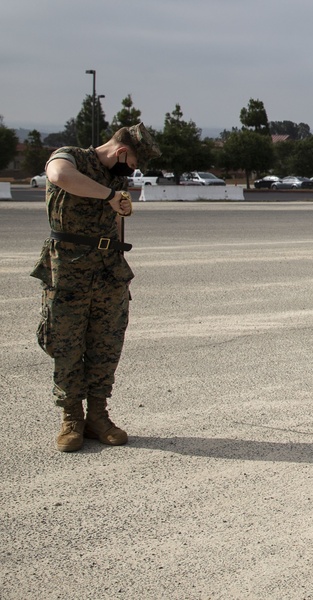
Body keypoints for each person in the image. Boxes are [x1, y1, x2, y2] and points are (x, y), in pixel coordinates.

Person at [31, 123, 161, 452]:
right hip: (70, 267)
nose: (131, 172)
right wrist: (108, 196)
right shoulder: (70, 157)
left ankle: (98, 415)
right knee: (67, 341)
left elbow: (116, 220)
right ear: (121, 152)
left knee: (107, 341)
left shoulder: (116, 181)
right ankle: (72, 418)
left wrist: (121, 214)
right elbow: (59, 176)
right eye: (132, 164)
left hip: (108, 266)